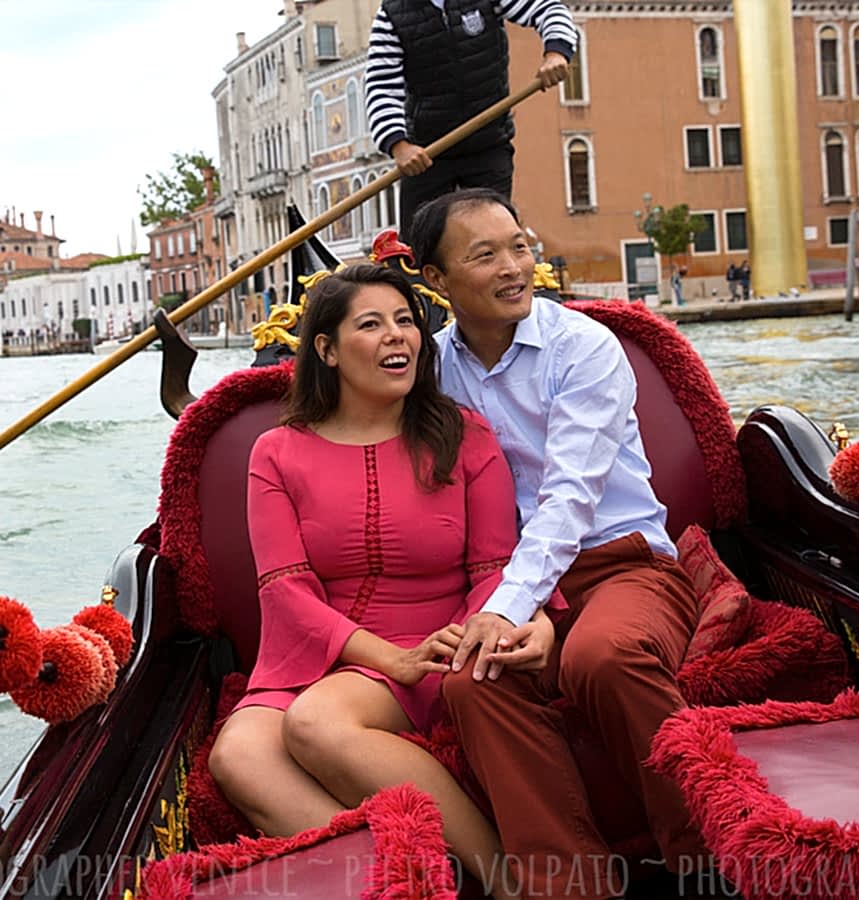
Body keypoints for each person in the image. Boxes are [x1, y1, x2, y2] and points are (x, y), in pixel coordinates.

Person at [209, 265, 553, 900]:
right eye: (371, 325)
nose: (398, 338)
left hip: (434, 641)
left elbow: (493, 568)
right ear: (327, 350)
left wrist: (473, 634)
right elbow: (284, 588)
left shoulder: (465, 436)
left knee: (316, 725)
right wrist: (385, 658)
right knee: (238, 756)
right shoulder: (277, 452)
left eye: (405, 322)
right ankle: (414, 883)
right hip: (312, 650)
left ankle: (505, 876)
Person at [411, 188, 705, 899]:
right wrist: (517, 607)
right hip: (515, 579)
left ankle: (707, 859)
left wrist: (512, 605)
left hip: (623, 565)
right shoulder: (432, 371)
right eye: (486, 255)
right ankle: (570, 885)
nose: (516, 267)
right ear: (437, 282)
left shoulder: (583, 346)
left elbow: (570, 496)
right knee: (472, 683)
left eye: (520, 246)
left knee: (604, 657)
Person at [366, 0, 577, 229]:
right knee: (417, 249)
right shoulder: (391, 14)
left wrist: (556, 53)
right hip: (426, 155)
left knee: (493, 236)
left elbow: (549, 10)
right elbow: (382, 87)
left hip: (489, 144)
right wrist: (399, 145)